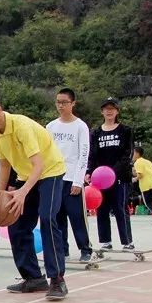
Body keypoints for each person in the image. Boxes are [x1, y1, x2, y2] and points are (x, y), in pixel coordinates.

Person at [0, 90, 68, 300]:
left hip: (50, 171)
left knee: (47, 218)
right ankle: (33, 278)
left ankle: (57, 280)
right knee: (16, 223)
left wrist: (23, 192)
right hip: (27, 175)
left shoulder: (21, 126)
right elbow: (4, 163)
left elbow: (39, 165)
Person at [46, 88, 92, 262]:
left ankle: (85, 248)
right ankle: (62, 250)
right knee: (57, 217)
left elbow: (83, 154)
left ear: (73, 103)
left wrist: (78, 181)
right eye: (58, 102)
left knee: (76, 216)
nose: (61, 105)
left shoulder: (80, 126)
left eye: (64, 102)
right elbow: (46, 152)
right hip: (55, 177)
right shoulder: (50, 126)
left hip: (72, 178)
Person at [88, 97, 134, 250]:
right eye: (106, 109)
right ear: (102, 111)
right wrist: (90, 171)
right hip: (99, 179)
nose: (109, 111)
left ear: (117, 111)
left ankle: (127, 241)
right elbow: (92, 155)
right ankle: (105, 241)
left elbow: (127, 154)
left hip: (119, 176)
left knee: (120, 208)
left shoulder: (125, 130)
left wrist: (112, 172)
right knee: (102, 209)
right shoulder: (96, 132)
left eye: (112, 108)